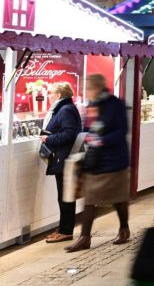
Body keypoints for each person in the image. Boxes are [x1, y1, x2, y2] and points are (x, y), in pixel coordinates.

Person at [66, 74, 131, 252]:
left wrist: (102, 140)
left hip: (114, 160)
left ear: (97, 88)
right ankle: (84, 238)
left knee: (118, 198)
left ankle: (124, 229)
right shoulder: (92, 106)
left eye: (88, 88)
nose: (86, 92)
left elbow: (122, 130)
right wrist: (85, 136)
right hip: (94, 161)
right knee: (90, 199)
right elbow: (87, 128)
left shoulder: (115, 104)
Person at [41, 82, 82, 244]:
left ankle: (66, 231)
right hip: (62, 158)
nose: (48, 95)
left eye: (51, 93)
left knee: (65, 196)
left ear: (58, 95)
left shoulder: (65, 110)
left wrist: (48, 138)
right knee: (63, 196)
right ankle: (63, 228)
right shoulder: (64, 108)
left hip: (65, 159)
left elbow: (70, 134)